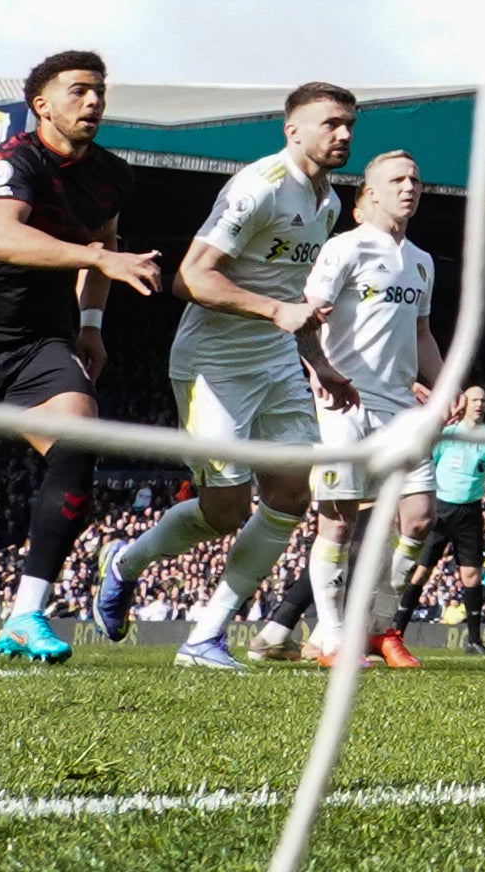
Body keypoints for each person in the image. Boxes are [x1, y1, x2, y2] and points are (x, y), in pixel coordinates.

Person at [98, 80, 359, 668]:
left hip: (275, 362)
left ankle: (205, 637)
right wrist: (273, 312)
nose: (343, 135)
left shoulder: (329, 201)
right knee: (226, 513)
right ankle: (125, 562)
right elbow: (188, 278)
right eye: (330, 123)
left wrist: (320, 365)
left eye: (349, 125)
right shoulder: (257, 188)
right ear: (292, 129)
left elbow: (295, 298)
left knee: (292, 494)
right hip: (213, 365)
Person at [0, 52, 163, 664]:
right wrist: (98, 260)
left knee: (77, 443)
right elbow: (2, 238)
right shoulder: (13, 161)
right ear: (42, 104)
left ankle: (23, 615)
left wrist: (91, 323)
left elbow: (108, 242)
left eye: (99, 92)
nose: (93, 102)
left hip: (40, 342)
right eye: (78, 92)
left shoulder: (112, 176)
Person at [300, 147, 440, 668]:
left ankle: (379, 626)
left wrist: (444, 387)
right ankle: (333, 637)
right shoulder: (345, 249)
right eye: (398, 179)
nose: (410, 187)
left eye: (416, 179)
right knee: (336, 523)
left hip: (400, 408)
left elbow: (422, 332)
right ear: (372, 192)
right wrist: (320, 371)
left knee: (420, 519)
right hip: (345, 404)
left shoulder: (422, 262)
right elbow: (306, 316)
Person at [403, 386, 485, 653]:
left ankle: (473, 640)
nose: (480, 404)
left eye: (484, 400)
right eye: (475, 400)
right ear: (464, 403)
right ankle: (396, 631)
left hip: (470, 512)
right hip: (440, 509)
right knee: (421, 572)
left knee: (471, 574)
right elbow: (429, 467)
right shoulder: (446, 435)